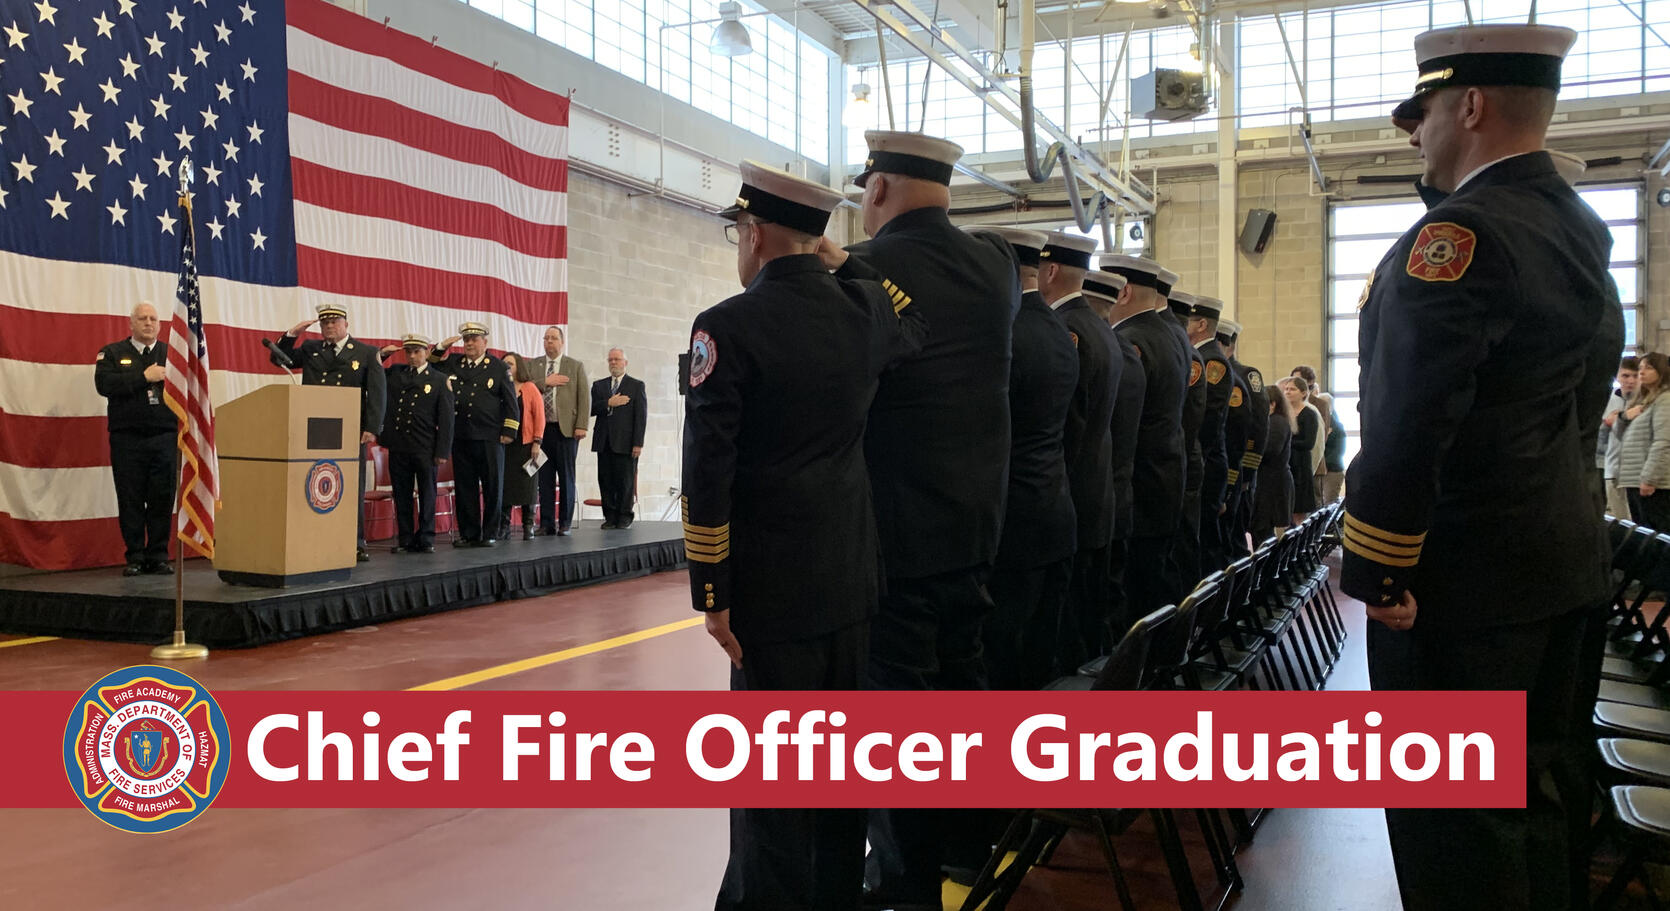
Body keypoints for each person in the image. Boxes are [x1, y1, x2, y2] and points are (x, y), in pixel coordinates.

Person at [1343, 24, 1623, 910]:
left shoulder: (1457, 234)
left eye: (1423, 113)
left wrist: (1379, 568)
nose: (1417, 135)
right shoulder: (1576, 227)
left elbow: (1409, 419)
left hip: (1463, 596)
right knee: (1541, 810)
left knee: (1455, 829)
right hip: (1560, 575)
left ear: (1468, 104)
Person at [690, 161, 927, 911]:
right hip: (853, 581)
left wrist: (713, 594)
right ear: (815, 239)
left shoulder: (726, 326)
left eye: (740, 232)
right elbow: (912, 321)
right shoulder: (861, 315)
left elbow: (708, 475)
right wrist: (847, 262)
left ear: (754, 235)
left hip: (771, 593)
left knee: (772, 785)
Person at [831, 130, 1019, 909]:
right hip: (974, 524)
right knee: (962, 690)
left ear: (877, 190)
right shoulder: (998, 267)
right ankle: (973, 849)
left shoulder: (866, 271)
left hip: (895, 532)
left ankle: (905, 880)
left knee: (898, 711)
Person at [963, 226, 1077, 691]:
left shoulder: (1003, 334)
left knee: (1002, 661)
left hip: (1014, 523)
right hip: (1054, 509)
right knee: (1039, 658)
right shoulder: (1058, 329)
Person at [1039, 232, 1121, 671]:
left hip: (1071, 492)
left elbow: (1065, 424)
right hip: (1097, 491)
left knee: (1067, 633)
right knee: (1088, 619)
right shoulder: (1101, 328)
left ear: (1049, 271)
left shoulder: (1065, 329)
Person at [1099, 253, 1188, 624]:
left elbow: (1120, 425)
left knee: (1133, 603)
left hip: (1141, 485)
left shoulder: (1132, 340)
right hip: (1165, 477)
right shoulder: (1172, 335)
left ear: (1123, 292)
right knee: (1156, 592)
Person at [271, 303, 387, 562]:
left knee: (349, 487)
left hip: (350, 430)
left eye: (334, 321)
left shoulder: (366, 353)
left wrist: (372, 427)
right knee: (315, 483)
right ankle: (316, 536)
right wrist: (292, 334)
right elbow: (278, 359)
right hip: (314, 427)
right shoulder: (312, 349)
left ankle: (354, 542)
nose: (329, 326)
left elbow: (377, 392)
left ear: (346, 324)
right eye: (325, 323)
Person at [1080, 268, 1140, 652]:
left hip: (1088, 491)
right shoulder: (1123, 349)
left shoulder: (1082, 339)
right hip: (1116, 488)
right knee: (1104, 604)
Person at [95, 301, 176, 576]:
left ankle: (158, 555)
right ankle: (135, 557)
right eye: (142, 318)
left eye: (153, 318)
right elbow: (104, 385)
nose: (148, 323)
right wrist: (144, 376)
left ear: (160, 325)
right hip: (128, 440)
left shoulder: (172, 353)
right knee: (130, 498)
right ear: (131, 323)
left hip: (164, 436)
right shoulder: (113, 352)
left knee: (161, 498)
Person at [430, 323, 520, 547]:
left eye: (474, 339)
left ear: (484, 342)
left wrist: (509, 430)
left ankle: (490, 532)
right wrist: (442, 346)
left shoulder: (498, 367)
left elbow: (511, 402)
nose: (469, 343)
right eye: (466, 339)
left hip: (490, 437)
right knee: (465, 487)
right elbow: (431, 365)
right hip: (461, 436)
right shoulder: (454, 363)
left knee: (492, 487)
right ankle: (469, 533)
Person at [377, 334, 454, 554]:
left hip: (425, 447)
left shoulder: (438, 379)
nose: (412, 356)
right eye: (408, 352)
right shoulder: (395, 374)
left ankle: (427, 537)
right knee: (402, 494)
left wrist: (442, 451)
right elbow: (373, 373)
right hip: (399, 445)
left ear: (427, 353)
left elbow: (447, 420)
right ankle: (406, 538)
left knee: (427, 493)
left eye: (417, 351)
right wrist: (383, 354)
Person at [1166, 289, 1210, 589]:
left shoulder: (1189, 355)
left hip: (1184, 459)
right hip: (1183, 459)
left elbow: (1192, 421)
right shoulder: (1188, 351)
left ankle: (1190, 623)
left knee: (1183, 546)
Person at [1187, 296, 1233, 572]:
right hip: (1206, 461)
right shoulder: (1201, 356)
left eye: (1189, 320)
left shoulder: (1212, 362)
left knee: (1207, 542)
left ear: (1202, 324)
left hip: (1208, 461)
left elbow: (1208, 418)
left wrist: (1195, 455)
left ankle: (1215, 611)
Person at [529, 327, 589, 536]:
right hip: (541, 432)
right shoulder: (534, 365)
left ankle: (565, 522)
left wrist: (581, 424)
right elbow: (525, 388)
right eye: (546, 338)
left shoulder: (574, 366)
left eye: (553, 338)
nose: (549, 342)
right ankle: (546, 523)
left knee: (566, 478)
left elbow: (584, 397)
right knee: (544, 478)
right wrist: (545, 382)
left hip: (566, 431)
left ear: (562, 342)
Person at [1218, 318, 1268, 558]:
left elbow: (1257, 427)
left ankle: (1241, 593)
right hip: (1227, 468)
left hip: (1238, 471)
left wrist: (1246, 473)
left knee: (1235, 536)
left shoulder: (1245, 375)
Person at [590, 348, 647, 529]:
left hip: (625, 442)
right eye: (610, 360)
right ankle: (610, 516)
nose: (613, 363)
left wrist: (638, 443)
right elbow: (590, 409)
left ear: (625, 363)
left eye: (617, 359)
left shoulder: (636, 385)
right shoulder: (599, 386)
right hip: (603, 441)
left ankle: (624, 516)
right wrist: (608, 403)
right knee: (605, 481)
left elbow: (641, 416)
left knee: (625, 481)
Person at [497, 354, 546, 541]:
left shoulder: (530, 388)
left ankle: (528, 526)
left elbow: (539, 417)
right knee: (505, 486)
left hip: (526, 444)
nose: (506, 366)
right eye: (504, 363)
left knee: (529, 486)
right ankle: (504, 526)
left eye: (510, 363)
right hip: (506, 444)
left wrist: (537, 442)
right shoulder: (501, 387)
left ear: (519, 366)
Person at [1618, 352, 1670, 528]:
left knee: (1658, 534)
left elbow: (1663, 442)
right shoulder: (1643, 400)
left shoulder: (1665, 399)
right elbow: (1620, 434)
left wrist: (1649, 478)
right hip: (1634, 477)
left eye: (1648, 367)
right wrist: (1624, 416)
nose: (1642, 372)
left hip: (1654, 483)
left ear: (1662, 371)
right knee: (1643, 532)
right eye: (1640, 368)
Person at [1252, 377, 1296, 542]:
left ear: (1273, 404)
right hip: (1270, 481)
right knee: (1261, 530)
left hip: (1272, 483)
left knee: (1264, 531)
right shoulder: (1275, 421)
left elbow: (1271, 450)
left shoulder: (1277, 422)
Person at [1602, 357, 1639, 518]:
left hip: (1637, 473)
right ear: (1618, 376)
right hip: (1613, 468)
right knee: (1621, 521)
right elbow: (1607, 423)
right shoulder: (1608, 400)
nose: (1630, 381)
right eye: (1625, 376)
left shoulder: (1646, 400)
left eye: (1635, 376)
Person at [1280, 376, 1319, 524]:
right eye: (1286, 389)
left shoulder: (1309, 414)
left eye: (1292, 389)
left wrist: (1286, 442)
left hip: (1301, 466)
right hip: (1286, 464)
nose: (1288, 392)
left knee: (1299, 510)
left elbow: (1308, 442)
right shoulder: (1283, 413)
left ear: (1303, 393)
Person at [1318, 391, 1346, 504]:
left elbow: (1339, 451)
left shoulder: (1337, 427)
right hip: (1318, 470)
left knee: (1329, 503)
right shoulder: (1317, 422)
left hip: (1332, 469)